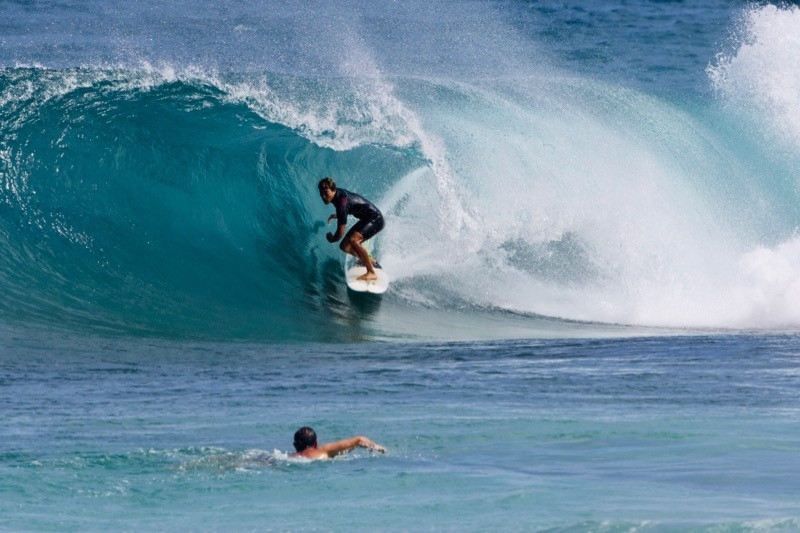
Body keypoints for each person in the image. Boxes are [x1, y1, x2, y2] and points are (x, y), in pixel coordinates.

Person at [318, 177, 385, 281]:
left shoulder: (341, 204)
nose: (323, 196)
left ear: (333, 190)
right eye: (321, 193)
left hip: (376, 219)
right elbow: (350, 205)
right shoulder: (338, 195)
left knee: (354, 240)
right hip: (366, 219)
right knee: (344, 246)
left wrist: (331, 239)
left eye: (325, 192)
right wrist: (339, 215)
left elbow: (339, 234)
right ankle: (369, 260)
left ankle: (371, 272)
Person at [291, 426, 386, 460]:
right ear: (315, 443)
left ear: (295, 445)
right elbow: (359, 440)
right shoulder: (323, 450)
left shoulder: (290, 457)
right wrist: (375, 447)